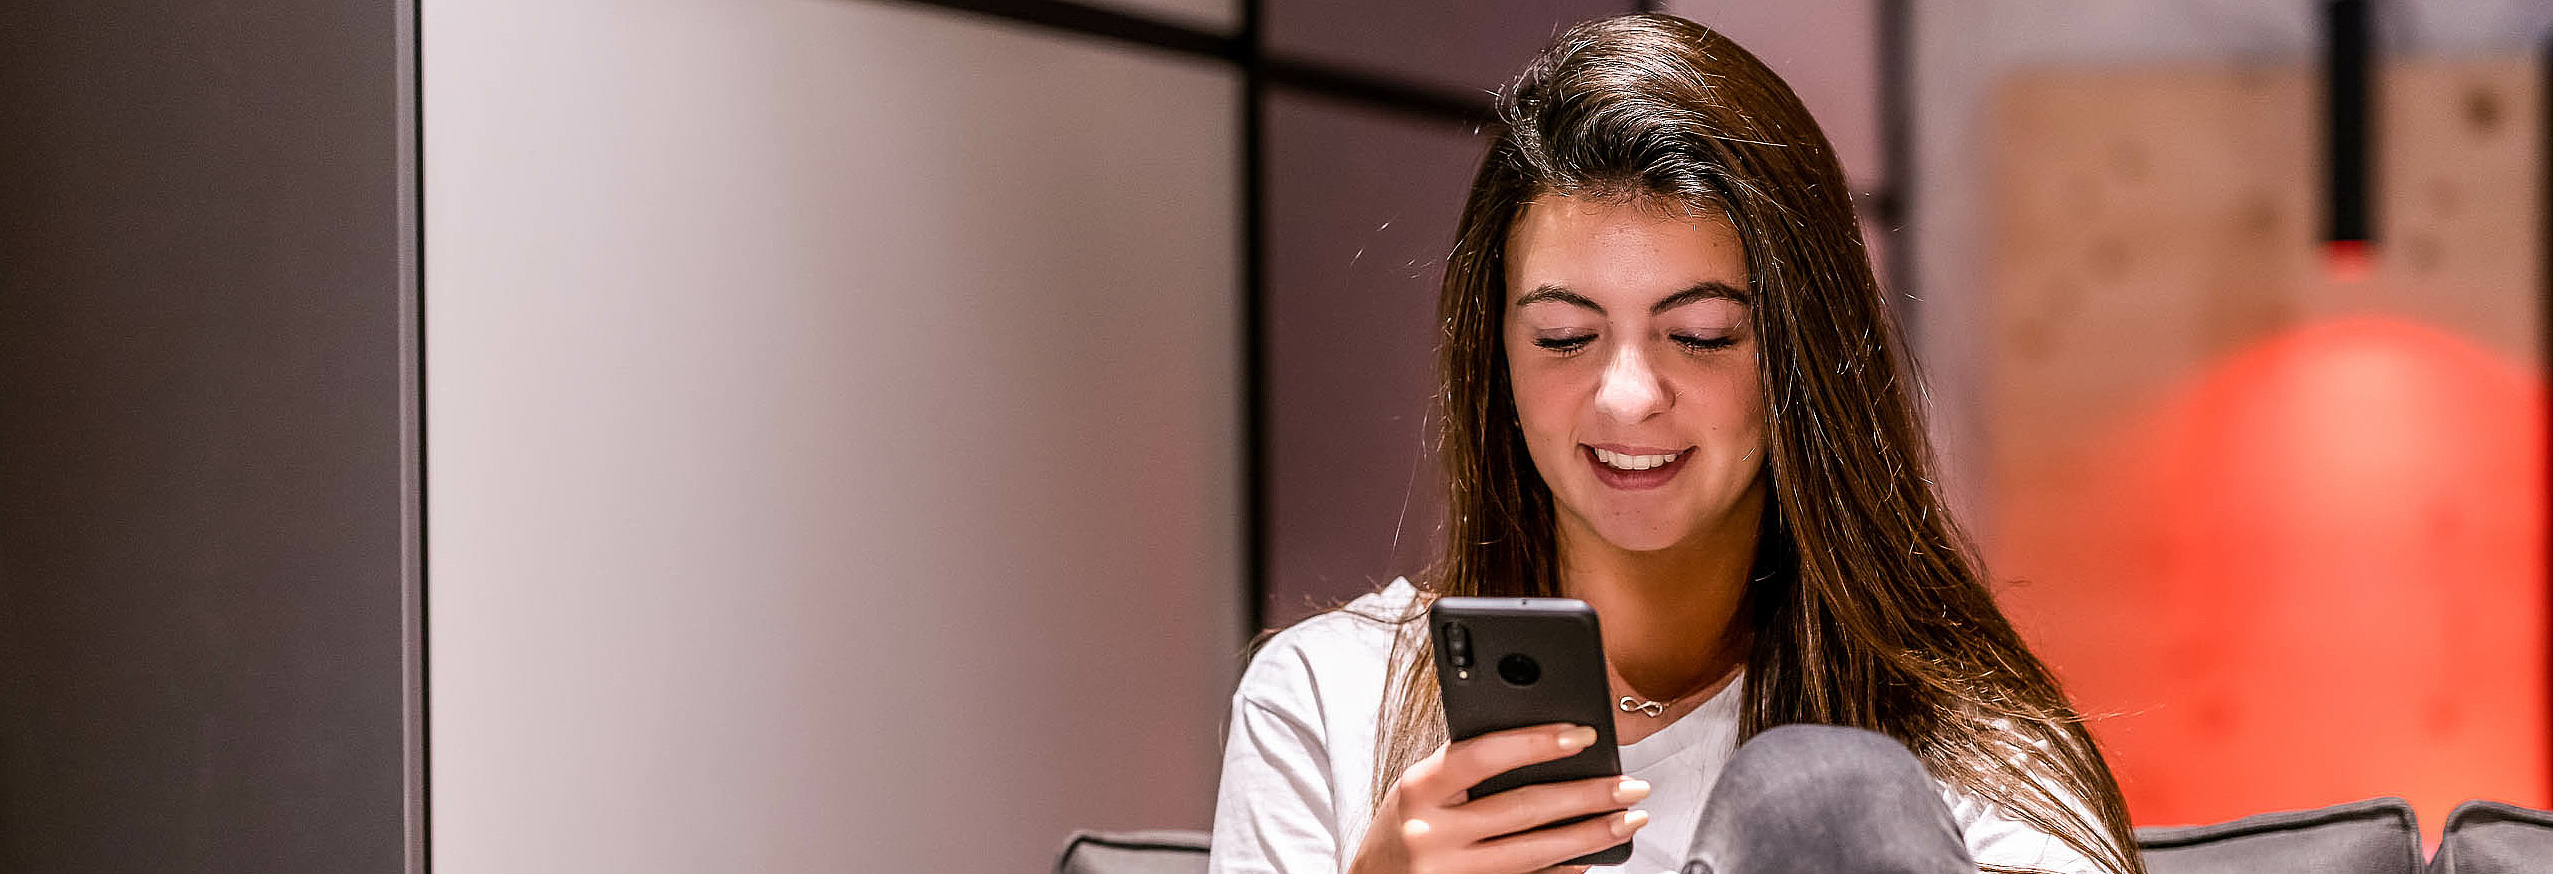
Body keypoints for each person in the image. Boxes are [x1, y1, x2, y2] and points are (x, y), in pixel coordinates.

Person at [1206, 13, 2144, 874]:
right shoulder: (1325, 700)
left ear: (1798, 356)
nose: (1625, 397)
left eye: (1698, 335)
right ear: (1496, 358)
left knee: (1822, 793)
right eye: (1564, 339)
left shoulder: (1961, 738)